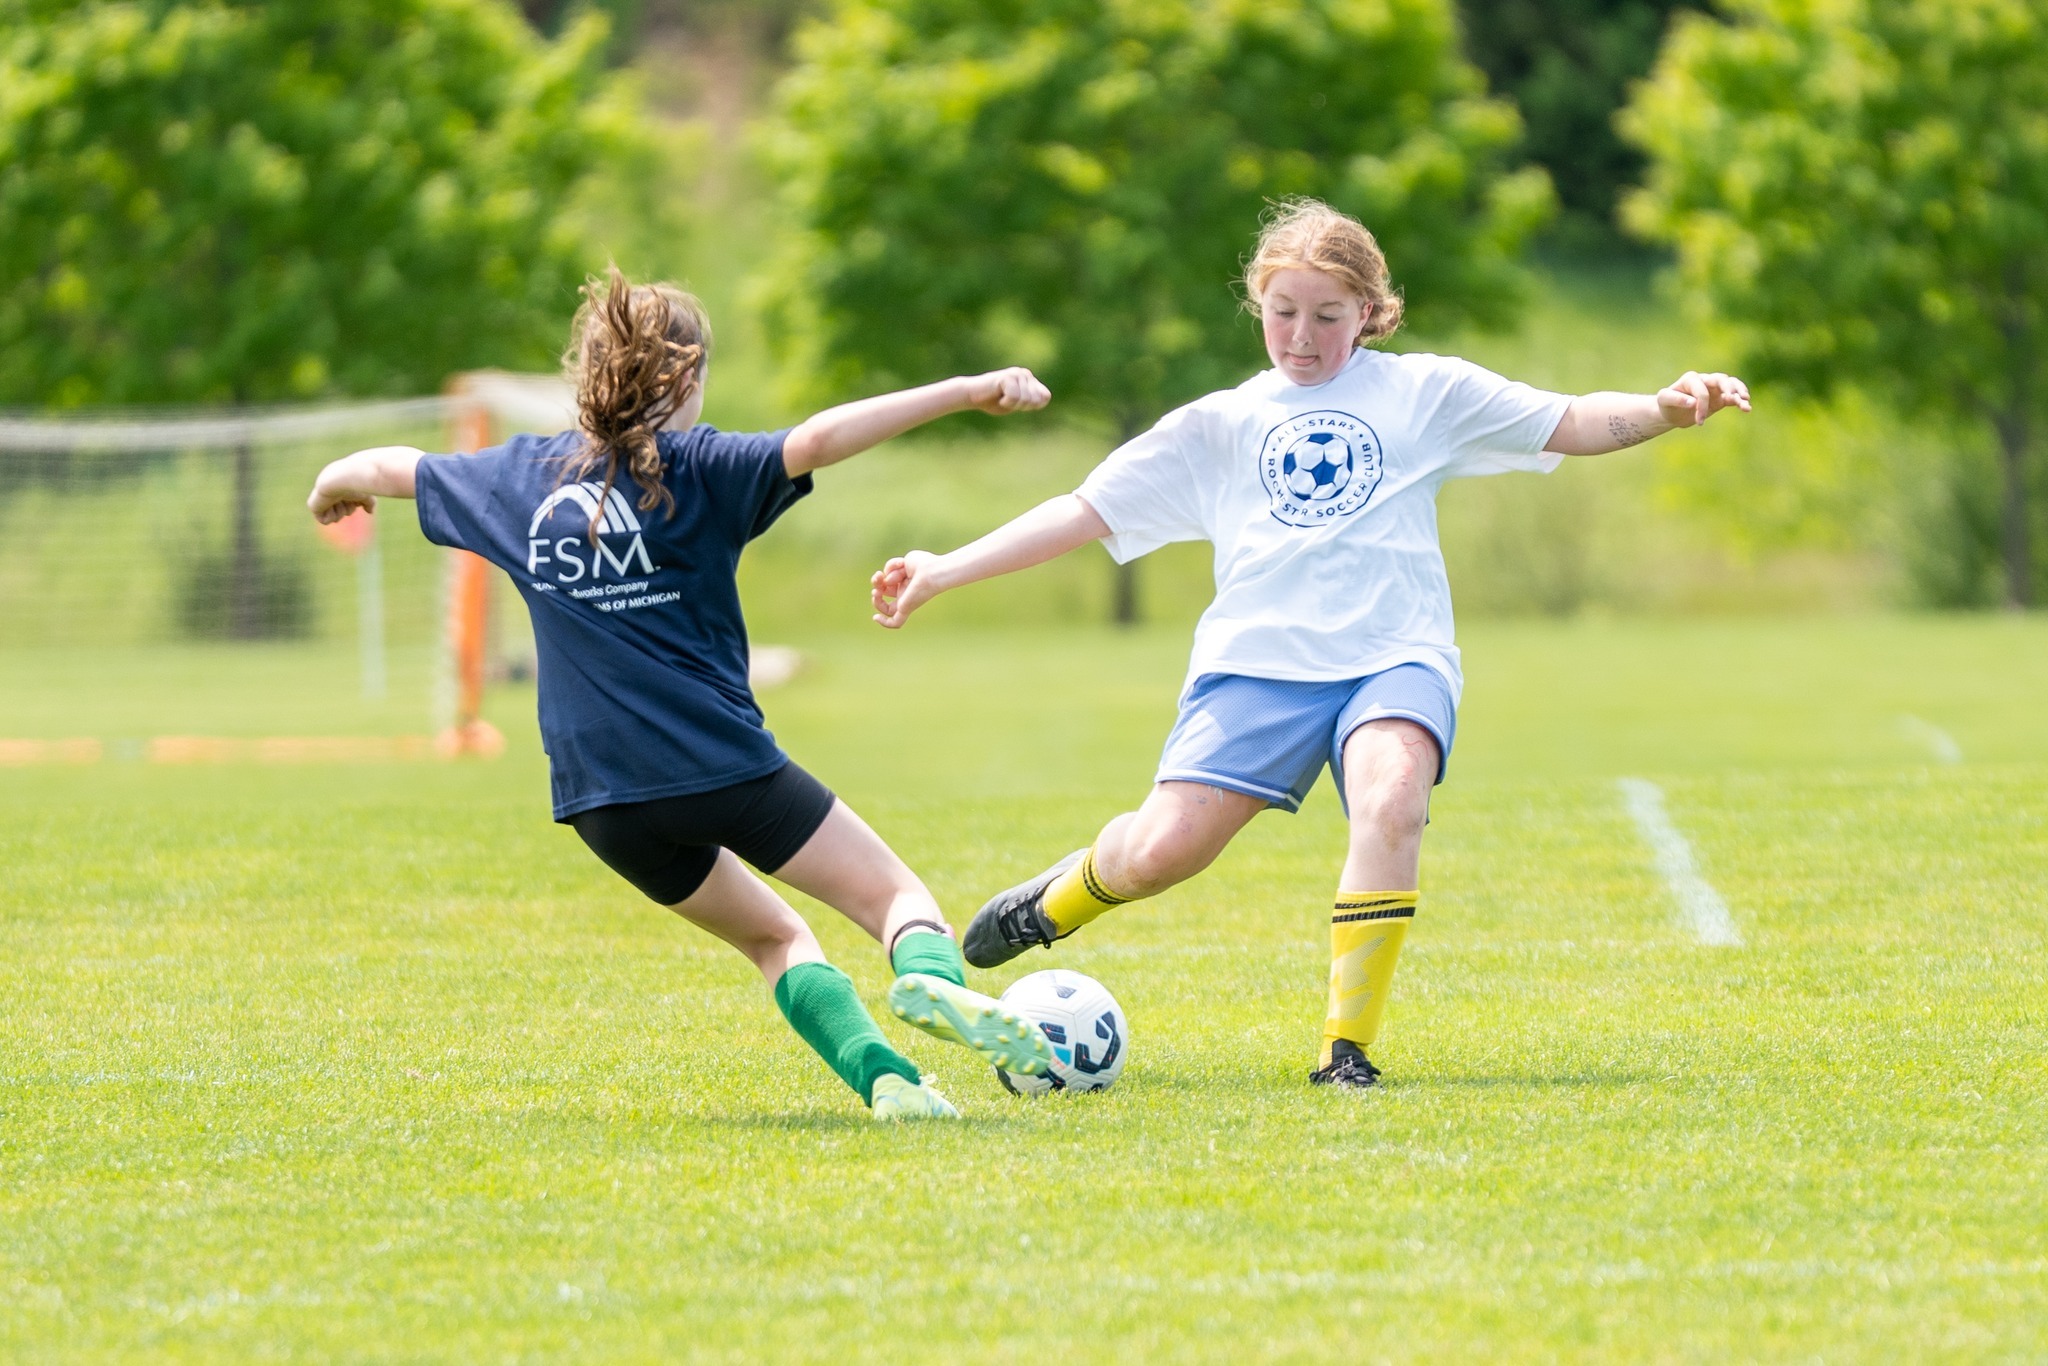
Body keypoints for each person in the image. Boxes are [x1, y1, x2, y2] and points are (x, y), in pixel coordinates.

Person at [870, 199, 1750, 1090]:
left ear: (1368, 310)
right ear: (1258, 304)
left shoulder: (1424, 393)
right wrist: (945, 569)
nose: (1301, 336)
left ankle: (1345, 1050)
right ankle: (1062, 898)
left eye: (1327, 315)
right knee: (1161, 854)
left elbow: (1570, 420)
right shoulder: (1218, 424)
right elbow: (1082, 512)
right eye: (1282, 311)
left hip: (1394, 656)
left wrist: (1665, 409)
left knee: (1393, 799)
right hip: (1257, 667)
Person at [307, 268, 1055, 1120]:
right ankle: (931, 982)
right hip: (718, 765)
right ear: (688, 379)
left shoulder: (516, 478)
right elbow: (818, 439)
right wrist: (967, 390)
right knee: (894, 901)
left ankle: (891, 1087)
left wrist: (332, 484)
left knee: (775, 938)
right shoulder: (703, 468)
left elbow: (391, 466)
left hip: (601, 801)